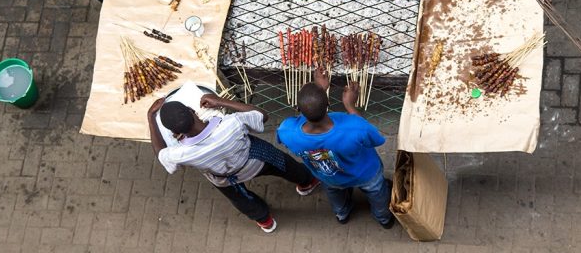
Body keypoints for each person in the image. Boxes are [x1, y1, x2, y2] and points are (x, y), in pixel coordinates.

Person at [147, 93, 320, 233]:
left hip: (225, 178)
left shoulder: (180, 153)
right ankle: (307, 182)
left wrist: (151, 118)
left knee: (239, 198)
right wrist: (220, 101)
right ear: (193, 110)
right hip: (256, 160)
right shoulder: (230, 123)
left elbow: (161, 153)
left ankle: (265, 220)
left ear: (174, 133)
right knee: (284, 164)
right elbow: (261, 115)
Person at [276, 73, 395, 229]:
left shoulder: (287, 131)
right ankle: (384, 218)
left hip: (329, 177)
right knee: (377, 192)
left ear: (298, 109)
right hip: (365, 173)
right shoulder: (353, 127)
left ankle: (342, 214)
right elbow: (374, 139)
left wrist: (318, 92)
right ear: (329, 104)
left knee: (334, 193)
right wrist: (350, 106)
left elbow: (305, 114)